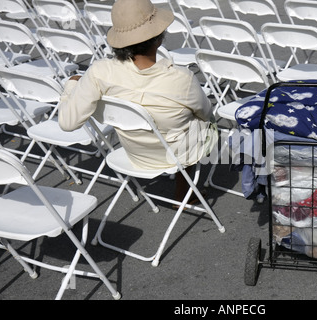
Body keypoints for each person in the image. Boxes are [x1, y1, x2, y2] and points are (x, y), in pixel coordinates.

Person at [58, 0, 217, 203]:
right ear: (158, 38)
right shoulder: (181, 78)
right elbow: (206, 115)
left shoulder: (99, 72)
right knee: (200, 124)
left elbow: (67, 122)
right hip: (175, 155)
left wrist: (72, 86)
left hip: (135, 154)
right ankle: (185, 191)